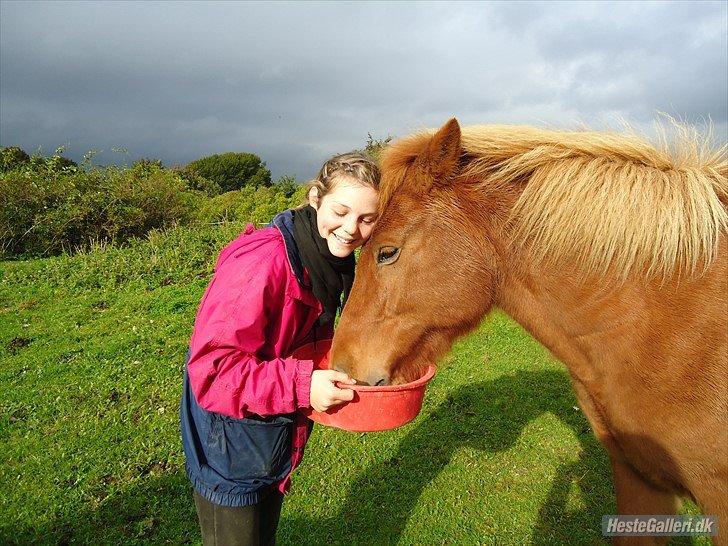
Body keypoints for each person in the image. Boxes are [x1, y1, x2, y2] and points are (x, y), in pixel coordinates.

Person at [180, 152, 380, 545]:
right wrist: (304, 387)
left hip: (269, 438)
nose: (351, 229)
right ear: (314, 198)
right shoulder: (265, 262)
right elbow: (214, 372)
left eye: (367, 219)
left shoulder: (324, 263)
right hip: (231, 451)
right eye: (341, 210)